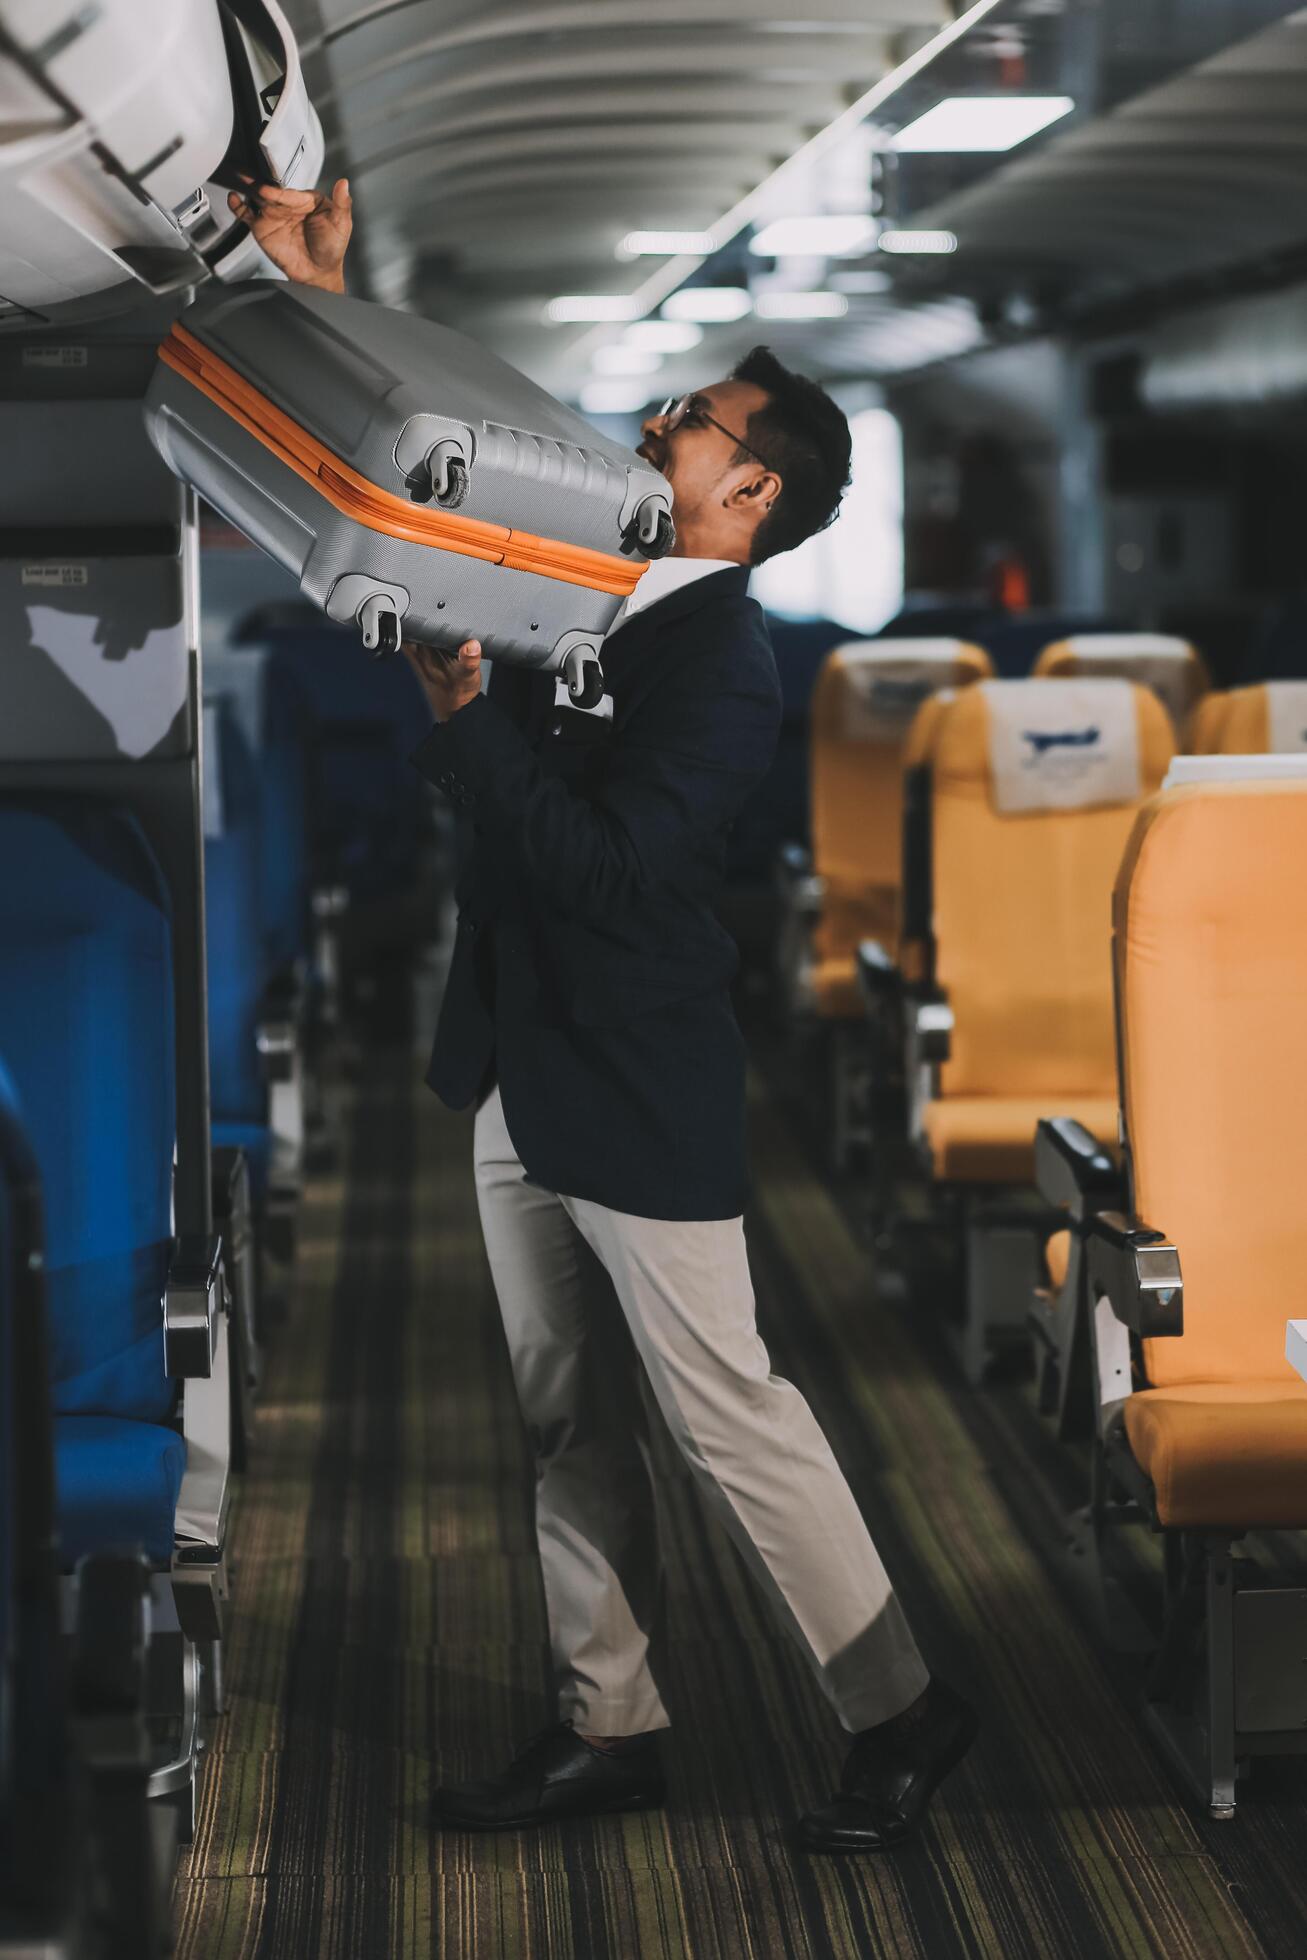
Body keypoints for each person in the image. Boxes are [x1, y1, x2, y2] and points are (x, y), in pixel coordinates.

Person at [231, 179, 976, 1852]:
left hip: (635, 1080)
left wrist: (470, 719)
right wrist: (330, 300)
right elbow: (457, 448)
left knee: (731, 1419)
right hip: (520, 1060)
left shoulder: (727, 666)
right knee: (566, 1416)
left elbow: (625, 873)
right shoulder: (600, 570)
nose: (659, 421)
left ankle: (904, 1707)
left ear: (754, 488)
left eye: (696, 421)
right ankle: (609, 1719)